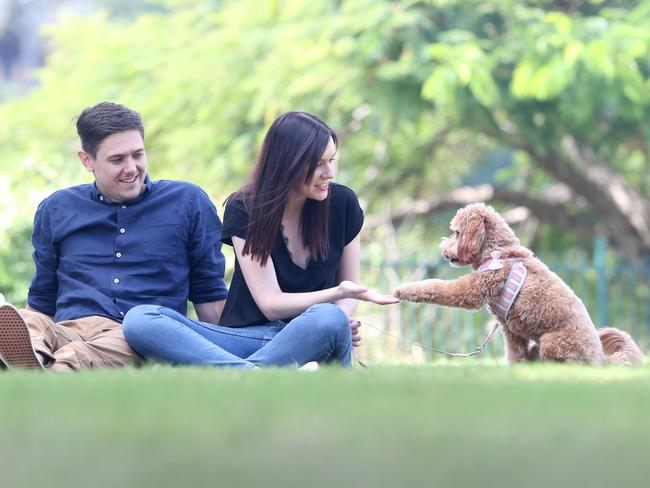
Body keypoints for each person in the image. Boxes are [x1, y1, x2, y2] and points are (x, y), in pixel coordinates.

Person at [123, 111, 398, 368]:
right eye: (318, 165)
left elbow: (351, 291)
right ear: (287, 164)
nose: (330, 173)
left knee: (329, 318)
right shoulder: (246, 208)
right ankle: (250, 373)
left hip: (311, 332)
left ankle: (238, 375)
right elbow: (270, 303)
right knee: (141, 319)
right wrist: (337, 294)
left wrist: (341, 319)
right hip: (248, 339)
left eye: (331, 160)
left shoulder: (343, 204)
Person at [0, 102, 228, 371]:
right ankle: (32, 359)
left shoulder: (187, 202)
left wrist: (232, 354)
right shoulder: (57, 208)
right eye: (117, 160)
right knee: (32, 323)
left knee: (81, 354)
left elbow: (209, 293)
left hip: (137, 335)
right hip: (69, 329)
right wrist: (28, 328)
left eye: (138, 155)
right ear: (87, 160)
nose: (131, 168)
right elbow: (43, 300)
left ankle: (46, 370)